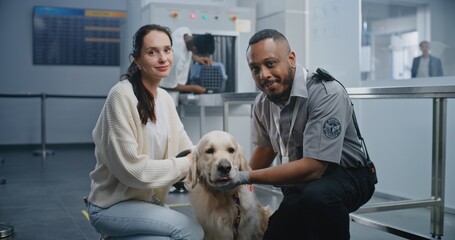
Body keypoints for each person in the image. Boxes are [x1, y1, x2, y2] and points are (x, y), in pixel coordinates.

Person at [213, 29, 376, 239]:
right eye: (255, 69)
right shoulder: (262, 103)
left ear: (291, 59)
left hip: (347, 176)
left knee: (319, 198)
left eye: (270, 64)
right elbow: (265, 148)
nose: (263, 75)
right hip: (301, 185)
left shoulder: (326, 93)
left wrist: (244, 176)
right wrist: (234, 184)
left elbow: (314, 167)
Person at [86, 24, 204, 240]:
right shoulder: (121, 96)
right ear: (137, 60)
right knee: (192, 232)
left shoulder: (165, 100)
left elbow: (186, 148)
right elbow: (133, 170)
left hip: (146, 204)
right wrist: (188, 162)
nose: (163, 58)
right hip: (111, 206)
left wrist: (219, 161)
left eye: (167, 50)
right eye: (152, 52)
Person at [159, 27, 213, 95]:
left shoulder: (184, 31)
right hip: (167, 93)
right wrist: (194, 88)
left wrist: (197, 58)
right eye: (201, 55)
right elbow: (167, 85)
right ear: (194, 49)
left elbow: (187, 51)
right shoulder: (176, 58)